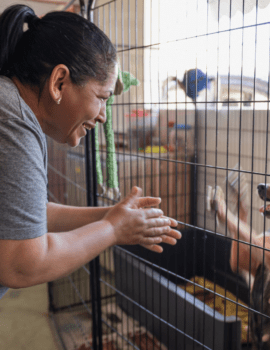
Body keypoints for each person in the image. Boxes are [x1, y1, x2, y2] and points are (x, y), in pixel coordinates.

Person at [0, 5, 181, 299]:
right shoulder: (13, 121)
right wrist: (112, 229)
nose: (104, 116)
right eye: (102, 98)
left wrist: (110, 215)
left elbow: (26, 214)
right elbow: (22, 264)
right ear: (59, 83)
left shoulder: (11, 107)